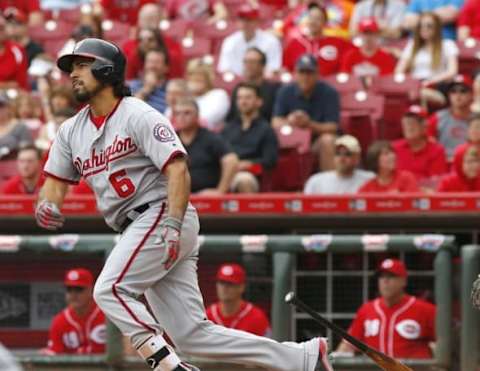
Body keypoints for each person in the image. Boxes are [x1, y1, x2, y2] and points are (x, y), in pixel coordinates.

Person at [35, 37, 332, 371]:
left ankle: (167, 365)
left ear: (107, 70)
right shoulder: (70, 131)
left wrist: (173, 226)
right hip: (138, 226)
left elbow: (177, 168)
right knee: (192, 334)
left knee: (110, 289)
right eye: (71, 67)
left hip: (162, 212)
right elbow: (54, 185)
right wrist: (48, 204)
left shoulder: (138, 114)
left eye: (82, 65)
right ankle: (302, 358)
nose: (73, 73)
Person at [334, 259, 436, 359]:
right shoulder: (366, 310)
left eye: (391, 276)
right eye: (382, 277)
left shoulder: (426, 310)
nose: (385, 281)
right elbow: (347, 346)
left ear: (403, 281)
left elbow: (442, 345)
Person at [273, 54, 340, 171]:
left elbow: (333, 126)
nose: (305, 77)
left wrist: (309, 124)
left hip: (316, 141)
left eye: (309, 73)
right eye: (301, 72)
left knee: (328, 140)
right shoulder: (285, 91)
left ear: (317, 74)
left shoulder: (329, 93)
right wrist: (291, 121)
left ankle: (329, 186)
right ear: (295, 74)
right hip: (292, 141)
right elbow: (275, 122)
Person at [222, 82, 278, 193]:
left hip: (250, 174)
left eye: (248, 97)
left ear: (259, 102)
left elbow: (270, 160)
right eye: (239, 98)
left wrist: (248, 164)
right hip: (224, 172)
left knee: (244, 180)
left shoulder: (266, 129)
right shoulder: (228, 128)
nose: (243, 102)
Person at [175, 97, 238, 194]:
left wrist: (220, 191)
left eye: (187, 113)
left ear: (197, 116)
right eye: (177, 113)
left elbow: (231, 160)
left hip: (205, 194)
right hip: (177, 193)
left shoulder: (211, 138)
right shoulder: (171, 139)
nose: (181, 116)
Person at [395, 12, 458, 105]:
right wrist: (411, 83)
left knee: (420, 94)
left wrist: (430, 81)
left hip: (437, 85)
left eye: (429, 26)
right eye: (421, 26)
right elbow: (398, 71)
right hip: (415, 84)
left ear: (437, 28)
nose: (424, 29)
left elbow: (452, 71)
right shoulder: (412, 45)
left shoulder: (447, 44)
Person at [43, 268, 106, 355]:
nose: (73, 294)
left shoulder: (106, 314)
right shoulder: (59, 321)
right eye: (69, 289)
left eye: (78, 289)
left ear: (91, 290)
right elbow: (54, 355)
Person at [282, 2, 353, 76]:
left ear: (325, 22)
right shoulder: (295, 43)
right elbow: (286, 68)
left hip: (330, 84)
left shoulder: (337, 42)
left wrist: (344, 70)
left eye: (317, 19)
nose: (313, 22)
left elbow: (353, 55)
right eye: (311, 17)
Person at [206, 263, 271, 337]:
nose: (224, 288)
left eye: (230, 283)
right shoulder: (208, 315)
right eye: (221, 283)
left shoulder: (256, 317)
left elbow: (269, 346)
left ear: (242, 287)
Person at [217, 4, 282, 76]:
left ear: (257, 21)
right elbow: (225, 69)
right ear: (238, 21)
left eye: (249, 20)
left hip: (262, 82)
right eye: (242, 19)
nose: (246, 23)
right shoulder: (229, 41)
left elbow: (273, 68)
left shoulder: (271, 41)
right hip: (236, 83)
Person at [123, 4, 184, 79]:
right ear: (139, 20)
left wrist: (158, 50)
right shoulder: (128, 46)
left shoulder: (173, 45)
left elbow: (177, 72)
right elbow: (127, 75)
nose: (148, 22)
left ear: (160, 20)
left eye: (152, 18)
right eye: (145, 18)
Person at [392, 105, 448, 186]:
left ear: (425, 126)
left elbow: (435, 183)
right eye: (407, 122)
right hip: (397, 194)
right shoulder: (394, 148)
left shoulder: (437, 150)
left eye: (414, 122)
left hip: (423, 195)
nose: (409, 126)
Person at [304, 135, 374, 194]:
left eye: (347, 154)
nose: (341, 158)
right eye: (338, 153)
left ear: (357, 158)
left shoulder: (369, 179)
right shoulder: (316, 181)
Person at [227, 47, 281, 123]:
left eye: (252, 62)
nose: (248, 65)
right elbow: (231, 117)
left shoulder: (275, 90)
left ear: (262, 65)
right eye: (246, 62)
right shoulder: (238, 89)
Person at [427, 74, 472, 161]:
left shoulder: (477, 119)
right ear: (449, 95)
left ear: (471, 94)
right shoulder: (437, 118)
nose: (458, 95)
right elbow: (429, 144)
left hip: (470, 165)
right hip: (443, 163)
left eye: (463, 91)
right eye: (453, 91)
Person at [186, 58, 230, 131]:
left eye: (200, 75)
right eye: (192, 74)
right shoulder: (184, 97)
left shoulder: (219, 95)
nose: (196, 78)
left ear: (208, 78)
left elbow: (209, 119)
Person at [129, 48, 169, 114]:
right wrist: (147, 88)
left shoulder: (171, 88)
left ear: (166, 67)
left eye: (157, 62)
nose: (152, 66)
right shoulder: (133, 85)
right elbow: (129, 109)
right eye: (150, 62)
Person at [0, 12, 28, 90]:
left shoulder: (17, 50)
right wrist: (6, 85)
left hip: (10, 98)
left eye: (2, 28)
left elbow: (20, 85)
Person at [0, 94, 32, 159]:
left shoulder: (20, 127)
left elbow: (28, 149)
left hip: (14, 164)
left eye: (1, 106)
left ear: (9, 107)